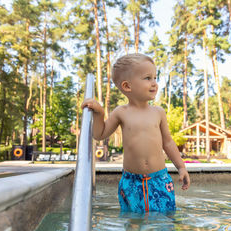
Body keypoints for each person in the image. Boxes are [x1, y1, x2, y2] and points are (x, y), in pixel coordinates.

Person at [81, 53, 190, 213]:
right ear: (127, 86)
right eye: (147, 78)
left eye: (155, 77)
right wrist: (99, 114)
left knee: (165, 220)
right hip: (131, 182)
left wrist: (181, 167)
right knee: (133, 222)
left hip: (159, 179)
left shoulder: (158, 112)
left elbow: (168, 142)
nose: (154, 83)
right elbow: (100, 134)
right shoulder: (121, 112)